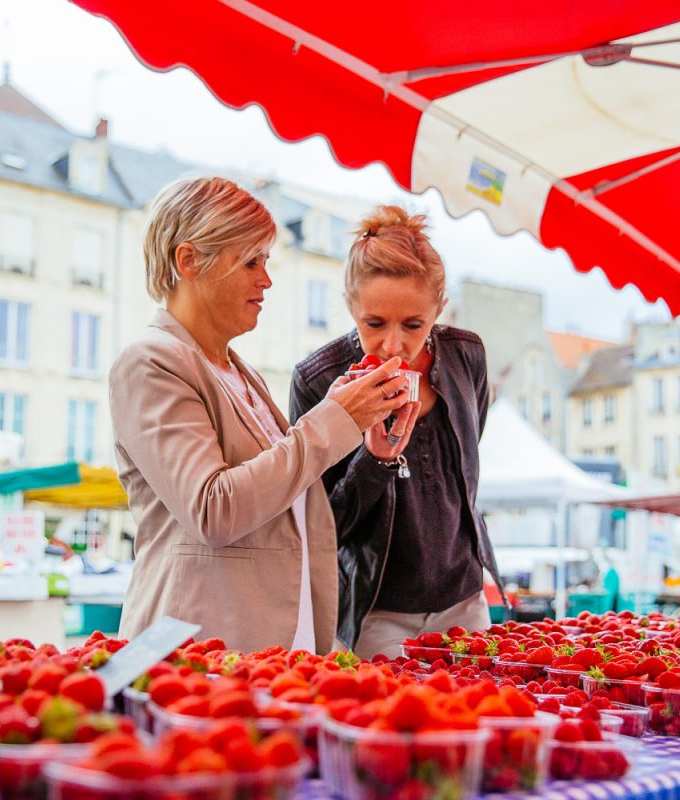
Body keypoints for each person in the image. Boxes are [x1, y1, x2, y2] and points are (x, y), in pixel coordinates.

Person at [109, 177, 411, 652]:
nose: (266, 280)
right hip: (203, 656)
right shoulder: (151, 362)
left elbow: (279, 492)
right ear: (189, 260)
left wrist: (348, 421)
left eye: (265, 262)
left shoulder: (239, 371)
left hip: (269, 651)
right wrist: (334, 420)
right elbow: (214, 509)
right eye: (251, 261)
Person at [289, 206, 504, 659]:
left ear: (439, 310)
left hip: (465, 600)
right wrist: (375, 461)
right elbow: (322, 525)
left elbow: (467, 467)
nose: (392, 345)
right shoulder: (317, 378)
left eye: (413, 325)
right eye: (374, 324)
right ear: (351, 308)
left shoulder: (467, 357)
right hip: (376, 611)